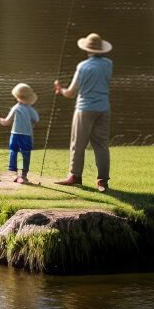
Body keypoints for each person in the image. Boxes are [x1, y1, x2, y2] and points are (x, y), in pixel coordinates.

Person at [53, 32, 113, 192]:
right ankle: (102, 181)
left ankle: (75, 176)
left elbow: (71, 93)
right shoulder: (108, 64)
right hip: (103, 108)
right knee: (101, 145)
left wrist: (60, 90)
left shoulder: (83, 66)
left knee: (77, 144)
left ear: (87, 49)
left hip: (84, 109)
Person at [0, 83, 39, 183]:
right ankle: (23, 176)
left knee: (14, 152)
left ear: (17, 96)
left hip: (15, 134)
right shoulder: (30, 109)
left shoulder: (15, 108)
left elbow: (7, 121)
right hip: (27, 135)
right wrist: (30, 124)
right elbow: (36, 119)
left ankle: (15, 175)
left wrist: (1, 120)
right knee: (25, 154)